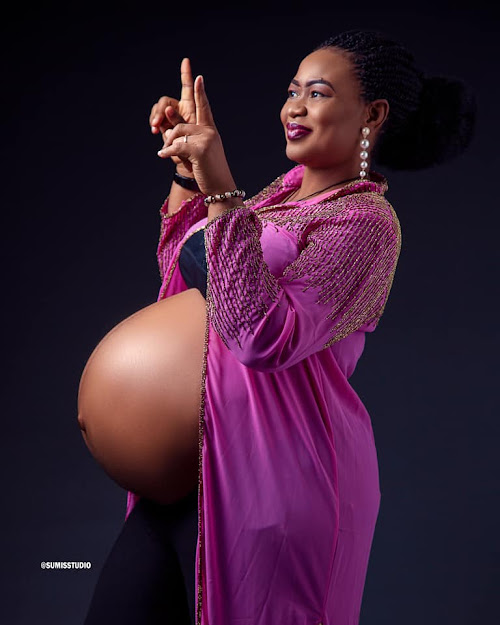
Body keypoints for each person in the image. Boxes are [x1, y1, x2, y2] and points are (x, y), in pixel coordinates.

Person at [83, 29, 476, 625]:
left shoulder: (367, 222)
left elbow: (261, 336)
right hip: (185, 481)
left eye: (317, 93)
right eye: (293, 91)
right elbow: (184, 284)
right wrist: (190, 176)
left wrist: (221, 187)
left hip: (266, 489)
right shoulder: (275, 200)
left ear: (372, 115)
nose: (294, 107)